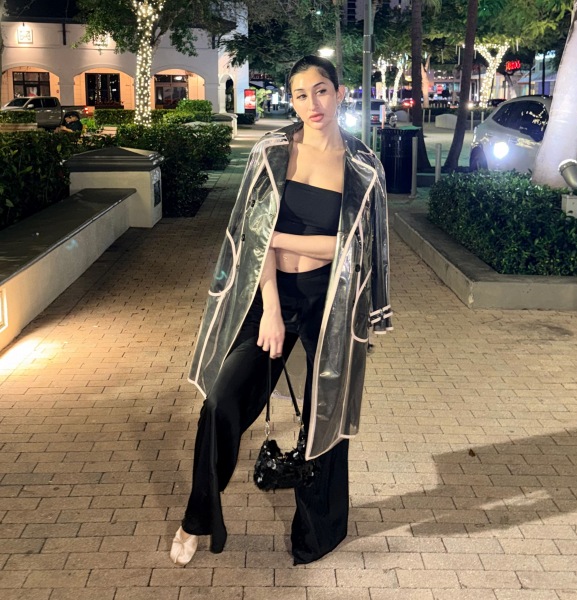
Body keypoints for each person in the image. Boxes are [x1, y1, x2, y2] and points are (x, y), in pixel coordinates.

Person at [170, 54, 392, 567]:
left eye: (321, 90)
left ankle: (317, 532)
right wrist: (270, 308)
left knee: (324, 413)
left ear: (339, 93)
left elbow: (352, 247)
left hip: (330, 300)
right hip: (271, 294)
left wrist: (278, 238)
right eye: (300, 94)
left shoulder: (363, 167)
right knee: (221, 401)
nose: (312, 103)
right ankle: (197, 519)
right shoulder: (271, 151)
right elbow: (253, 236)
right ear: (291, 101)